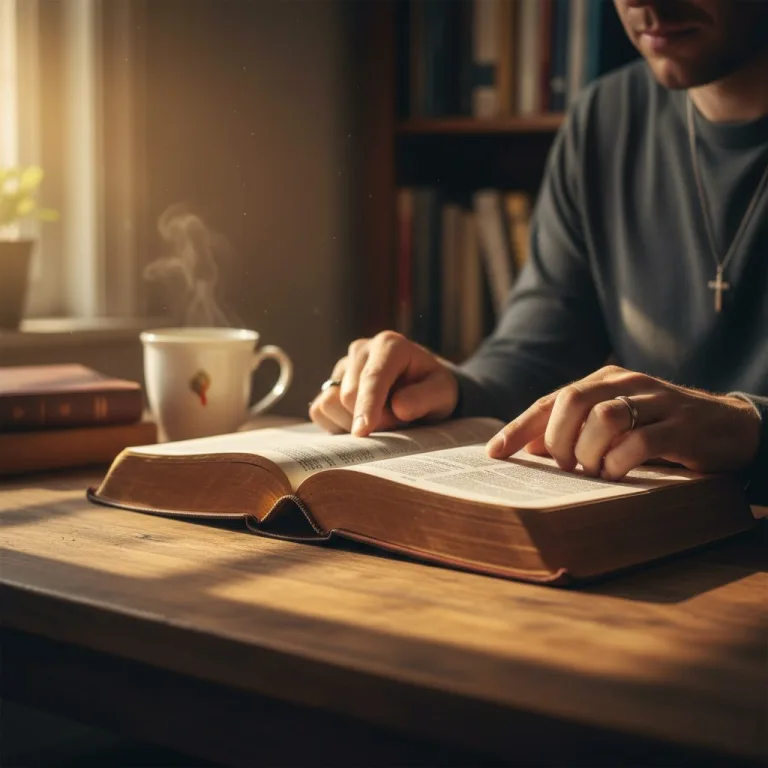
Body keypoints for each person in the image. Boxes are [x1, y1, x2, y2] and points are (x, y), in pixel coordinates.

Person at [310, 0, 768, 504]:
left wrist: (749, 427)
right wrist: (448, 389)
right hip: (655, 546)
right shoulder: (604, 120)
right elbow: (539, 355)